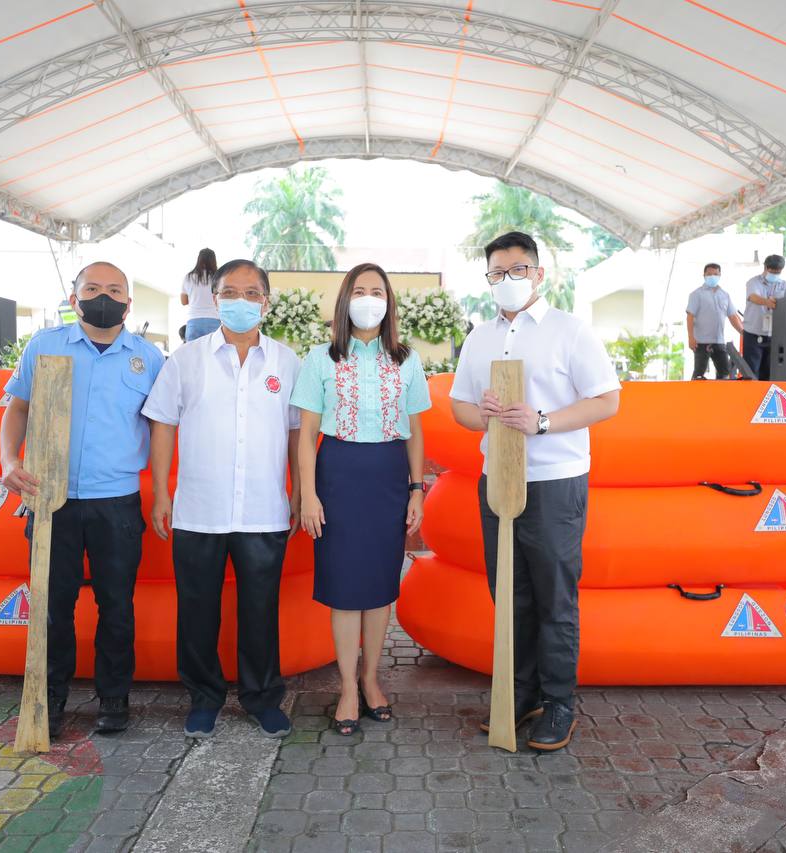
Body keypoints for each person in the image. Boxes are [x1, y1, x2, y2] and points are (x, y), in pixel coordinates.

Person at [450, 232, 620, 752]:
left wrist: (541, 421)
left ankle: (559, 701)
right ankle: (519, 695)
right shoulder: (480, 337)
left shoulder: (569, 331)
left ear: (539, 274)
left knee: (554, 596)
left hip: (553, 481)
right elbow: (459, 406)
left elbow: (607, 400)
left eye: (517, 270)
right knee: (510, 593)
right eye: (497, 273)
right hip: (497, 478)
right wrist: (482, 414)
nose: (507, 280)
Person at [0, 261, 164, 737]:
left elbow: (160, 428)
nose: (103, 297)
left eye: (114, 289)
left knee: (117, 606)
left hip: (117, 503)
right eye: (92, 289)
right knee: (53, 607)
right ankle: (49, 699)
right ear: (74, 299)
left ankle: (114, 697)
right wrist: (9, 460)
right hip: (50, 499)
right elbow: (18, 409)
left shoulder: (148, 359)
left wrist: (161, 492)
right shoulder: (45, 346)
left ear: (128, 303)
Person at [143, 259, 301, 740]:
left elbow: (298, 434)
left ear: (266, 302)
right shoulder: (185, 359)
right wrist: (162, 492)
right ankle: (204, 698)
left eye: (251, 293)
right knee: (197, 610)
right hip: (199, 509)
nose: (240, 301)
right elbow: (163, 425)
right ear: (214, 299)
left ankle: (262, 698)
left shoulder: (286, 362)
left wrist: (298, 492)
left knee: (260, 610)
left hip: (263, 510)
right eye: (230, 292)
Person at [291, 263, 430, 736]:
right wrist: (309, 496)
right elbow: (307, 434)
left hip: (388, 475)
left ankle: (372, 679)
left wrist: (416, 490)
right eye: (359, 291)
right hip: (338, 475)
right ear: (344, 299)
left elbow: (415, 431)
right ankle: (347, 687)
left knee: (379, 586)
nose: (369, 299)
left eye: (377, 292)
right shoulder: (320, 358)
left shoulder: (407, 359)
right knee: (346, 587)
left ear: (389, 302)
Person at [686, 263, 744, 380]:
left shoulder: (725, 295)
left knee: (724, 373)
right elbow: (690, 317)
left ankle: (721, 392)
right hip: (701, 342)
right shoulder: (696, 294)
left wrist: (744, 333)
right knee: (699, 374)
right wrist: (691, 337)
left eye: (715, 274)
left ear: (720, 275)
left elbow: (733, 316)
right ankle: (695, 392)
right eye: (709, 274)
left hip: (719, 341)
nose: (712, 276)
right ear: (704, 275)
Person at [742, 254, 786, 381]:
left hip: (774, 335)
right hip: (753, 333)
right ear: (765, 267)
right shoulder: (753, 282)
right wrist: (766, 302)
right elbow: (753, 297)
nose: (775, 274)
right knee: (751, 372)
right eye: (772, 271)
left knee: (769, 372)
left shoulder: (784, 285)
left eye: (778, 272)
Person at [181, 248, 220, 343]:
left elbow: (184, 301)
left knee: (192, 351)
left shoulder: (188, 277)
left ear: (199, 260)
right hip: (214, 319)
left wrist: (195, 298)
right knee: (214, 351)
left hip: (194, 321)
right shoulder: (219, 278)